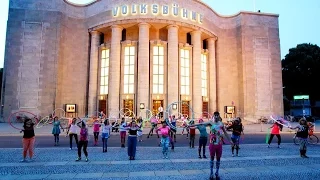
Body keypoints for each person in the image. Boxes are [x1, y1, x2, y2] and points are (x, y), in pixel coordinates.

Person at [193, 112, 232, 180]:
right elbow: (201, 124)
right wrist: (190, 125)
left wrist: (230, 140)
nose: (216, 117)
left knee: (218, 159)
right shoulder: (211, 123)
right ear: (214, 116)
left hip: (219, 144)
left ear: (219, 116)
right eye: (215, 115)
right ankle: (211, 173)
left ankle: (217, 172)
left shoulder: (221, 124)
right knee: (211, 158)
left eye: (217, 115)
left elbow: (225, 133)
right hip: (212, 144)